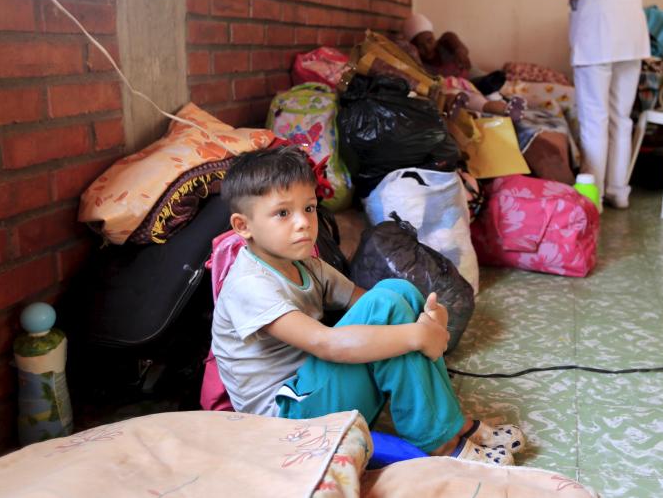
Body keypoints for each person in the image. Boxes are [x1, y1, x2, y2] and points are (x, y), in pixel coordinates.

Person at [211, 146, 523, 465]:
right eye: (282, 213)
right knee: (386, 304)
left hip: (314, 389)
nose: (303, 223)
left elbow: (373, 301)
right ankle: (440, 441)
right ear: (243, 226)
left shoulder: (307, 266)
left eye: (309, 208)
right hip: (286, 419)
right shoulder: (249, 285)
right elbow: (326, 343)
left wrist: (428, 319)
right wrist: (415, 336)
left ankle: (453, 424)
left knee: (397, 290)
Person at [552, 0, 654, 209]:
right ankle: (619, 191)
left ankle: (590, 199)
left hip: (597, 30)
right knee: (620, 116)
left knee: (594, 114)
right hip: (632, 32)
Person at [401, 14, 526, 121]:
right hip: (457, 89)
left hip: (471, 77)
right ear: (414, 47)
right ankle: (493, 105)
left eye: (429, 40)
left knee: (488, 84)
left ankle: (505, 102)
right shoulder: (419, 64)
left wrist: (459, 50)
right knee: (466, 98)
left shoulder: (445, 42)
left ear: (434, 36)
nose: (427, 48)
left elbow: (452, 38)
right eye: (420, 46)